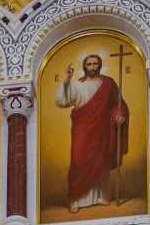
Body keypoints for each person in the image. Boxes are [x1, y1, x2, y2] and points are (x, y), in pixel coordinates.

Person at [54, 53, 129, 211]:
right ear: (84, 67)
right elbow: (62, 101)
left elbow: (118, 104)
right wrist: (67, 79)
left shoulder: (108, 83)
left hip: (102, 130)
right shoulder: (77, 85)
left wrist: (119, 115)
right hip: (82, 129)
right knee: (78, 161)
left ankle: (102, 196)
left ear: (100, 65)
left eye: (95, 64)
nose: (92, 67)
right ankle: (75, 199)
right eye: (89, 64)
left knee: (101, 162)